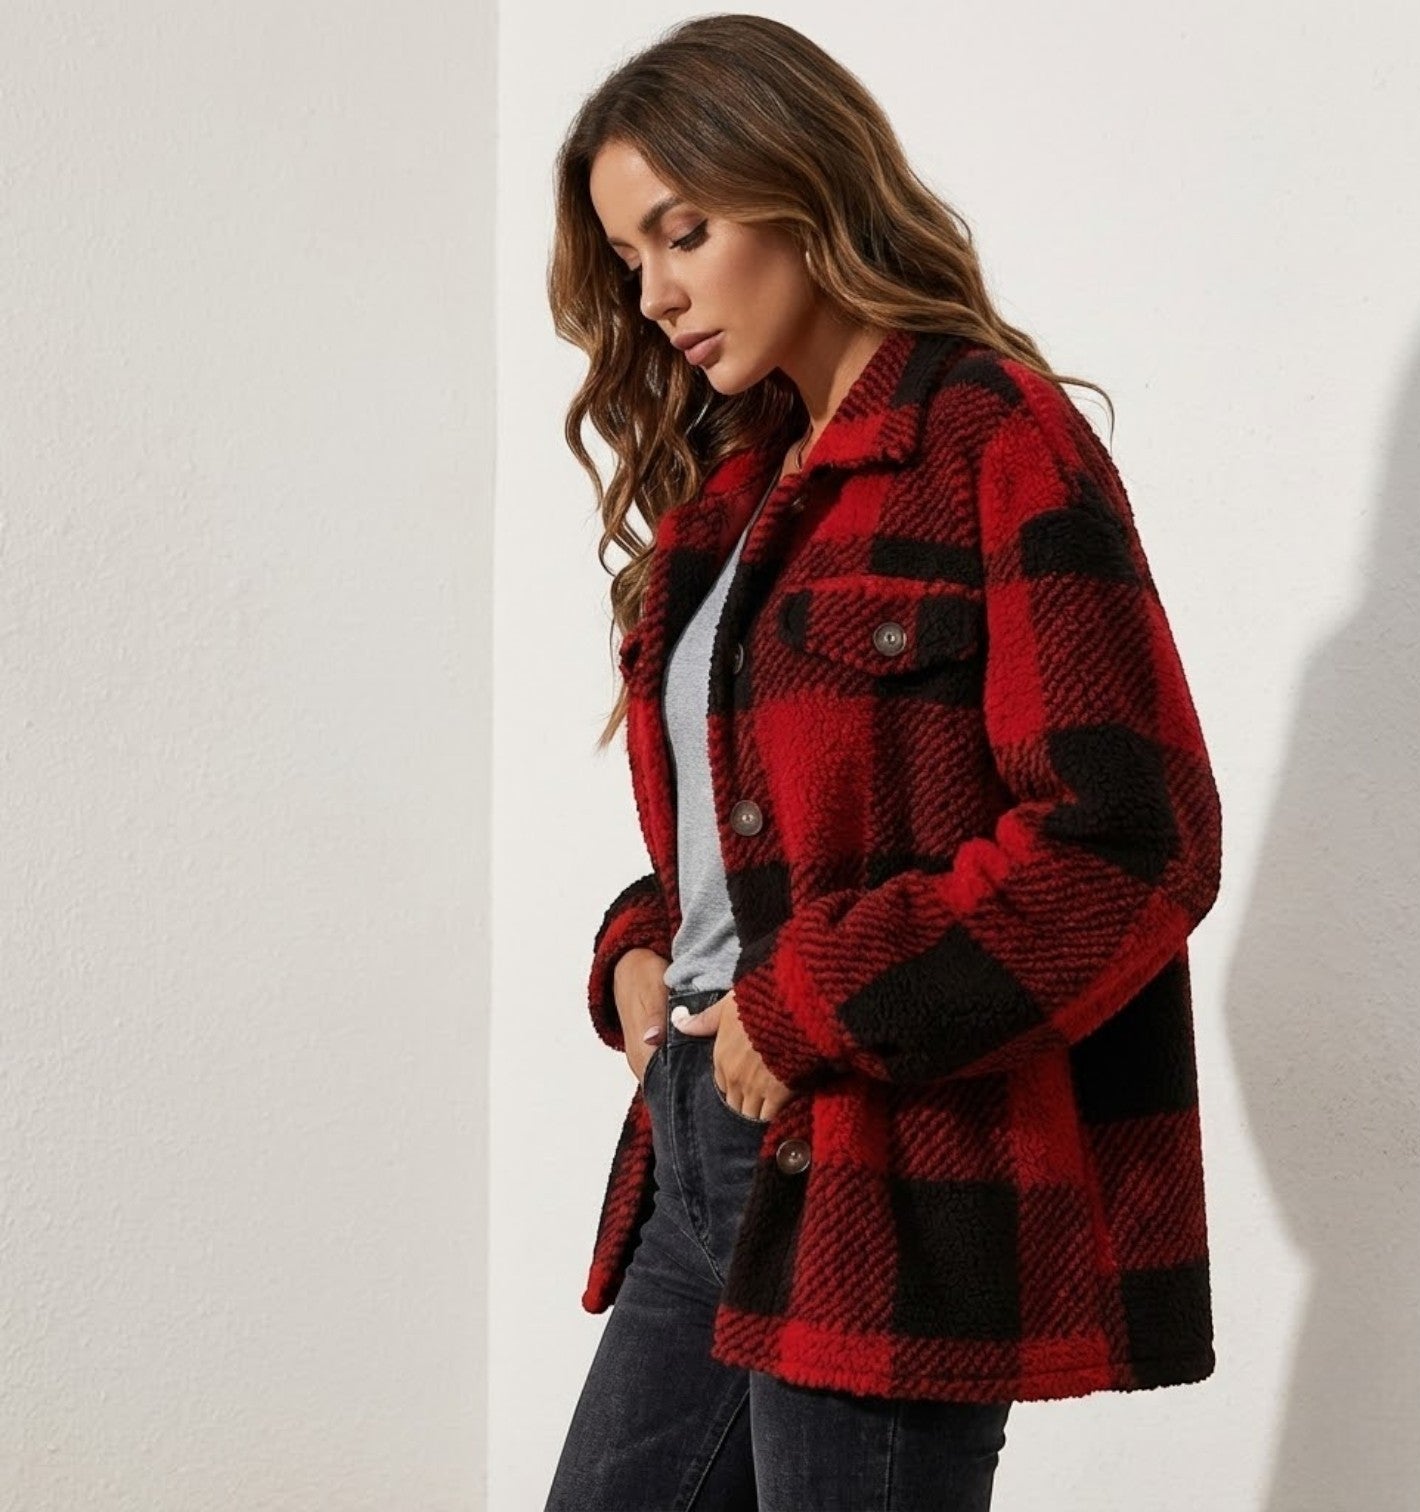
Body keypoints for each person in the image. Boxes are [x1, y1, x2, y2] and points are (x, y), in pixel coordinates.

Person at [543, 15, 1224, 1511]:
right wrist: (643, 949)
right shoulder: (732, 497)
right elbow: (759, 841)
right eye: (629, 256)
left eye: (684, 233)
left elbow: (1131, 837)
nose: (654, 294)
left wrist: (807, 1007)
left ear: (801, 186)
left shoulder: (994, 438)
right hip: (696, 1134)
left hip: (890, 1164)